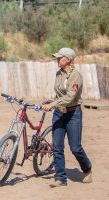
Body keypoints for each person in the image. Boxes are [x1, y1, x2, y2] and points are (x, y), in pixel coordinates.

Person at [42, 48, 92, 187]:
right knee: (57, 147)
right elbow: (60, 94)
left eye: (60, 57)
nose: (57, 59)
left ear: (68, 60)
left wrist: (53, 104)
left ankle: (87, 169)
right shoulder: (59, 74)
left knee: (75, 147)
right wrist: (51, 101)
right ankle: (61, 178)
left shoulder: (76, 76)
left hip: (73, 114)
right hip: (58, 112)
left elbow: (70, 97)